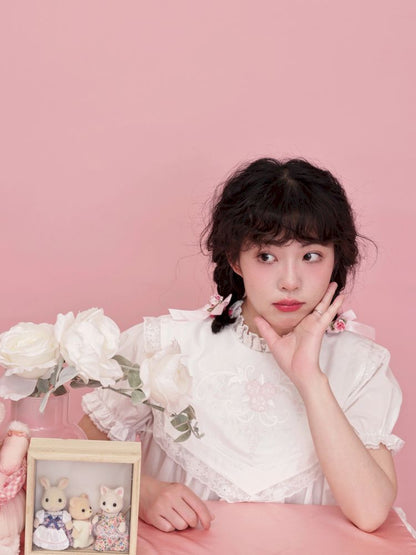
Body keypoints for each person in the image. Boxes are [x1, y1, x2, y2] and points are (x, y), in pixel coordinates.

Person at [80, 158, 403, 534]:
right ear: (235, 258)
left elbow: (370, 512)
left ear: (336, 260)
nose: (290, 281)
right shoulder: (165, 343)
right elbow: (76, 447)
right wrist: (140, 492)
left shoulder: (361, 364)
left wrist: (310, 380)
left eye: (311, 256)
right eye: (266, 256)